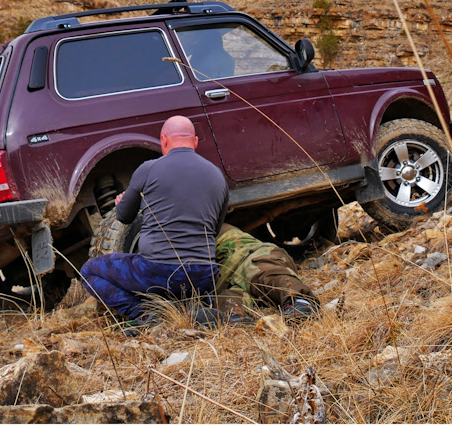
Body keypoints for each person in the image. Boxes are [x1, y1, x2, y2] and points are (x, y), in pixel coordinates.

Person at [80, 115, 228, 327]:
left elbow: (124, 217)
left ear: (164, 140)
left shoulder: (149, 169)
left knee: (90, 270)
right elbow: (214, 229)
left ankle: (145, 314)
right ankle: (193, 309)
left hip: (158, 273)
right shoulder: (217, 175)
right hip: (203, 277)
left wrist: (126, 202)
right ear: (195, 142)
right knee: (189, 286)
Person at [214, 224, 320, 321]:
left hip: (254, 257)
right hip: (232, 280)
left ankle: (301, 301)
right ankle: (236, 320)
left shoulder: (209, 230)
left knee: (264, 274)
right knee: (228, 300)